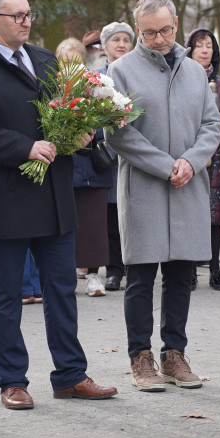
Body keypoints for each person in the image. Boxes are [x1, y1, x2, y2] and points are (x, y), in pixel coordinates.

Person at [0, 0, 117, 410]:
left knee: (61, 288)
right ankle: (11, 380)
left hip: (56, 196)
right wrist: (24, 147)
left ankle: (70, 375)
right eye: (16, 16)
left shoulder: (44, 60)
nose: (26, 22)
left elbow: (66, 113)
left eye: (28, 14)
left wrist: (81, 134)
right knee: (5, 294)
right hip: (6, 197)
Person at [106, 0, 220, 392]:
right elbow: (117, 132)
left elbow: (212, 124)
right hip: (145, 186)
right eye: (150, 32)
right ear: (138, 29)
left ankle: (175, 354)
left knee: (180, 275)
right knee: (140, 278)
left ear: (177, 26)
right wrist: (164, 165)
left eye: (167, 30)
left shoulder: (193, 71)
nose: (160, 39)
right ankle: (141, 358)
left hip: (188, 184)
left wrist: (191, 161)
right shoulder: (119, 71)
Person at [57, 36, 111, 298]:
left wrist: (91, 133)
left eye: (75, 62)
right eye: (65, 62)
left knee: (93, 225)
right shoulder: (51, 89)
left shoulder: (96, 88)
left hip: (92, 169)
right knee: (65, 226)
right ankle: (66, 275)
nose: (70, 68)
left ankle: (93, 274)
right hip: (63, 172)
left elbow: (109, 123)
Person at [185, 27, 220, 291]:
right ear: (190, 49)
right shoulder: (180, 78)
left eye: (209, 46)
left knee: (214, 215)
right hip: (190, 154)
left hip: (217, 157)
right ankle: (189, 271)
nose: (205, 50)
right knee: (191, 212)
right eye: (199, 45)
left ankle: (215, 269)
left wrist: (218, 123)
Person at [98, 21, 134, 292]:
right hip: (106, 158)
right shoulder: (94, 79)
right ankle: (113, 270)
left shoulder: (137, 74)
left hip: (135, 156)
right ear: (105, 45)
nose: (121, 44)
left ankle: (135, 268)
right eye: (115, 40)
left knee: (134, 217)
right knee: (112, 217)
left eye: (126, 40)